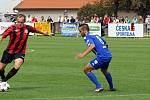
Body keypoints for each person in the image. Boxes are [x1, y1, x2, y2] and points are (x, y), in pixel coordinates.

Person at [0, 14, 48, 86]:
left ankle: (4, 81)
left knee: (17, 66)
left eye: (21, 22)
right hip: (9, 51)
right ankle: (2, 78)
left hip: (20, 52)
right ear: (16, 21)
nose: (19, 24)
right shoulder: (11, 28)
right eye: (18, 22)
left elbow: (36, 30)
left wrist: (44, 33)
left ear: (24, 21)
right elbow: (2, 36)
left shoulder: (27, 28)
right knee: (1, 69)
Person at [75, 24, 116, 92]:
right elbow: (105, 43)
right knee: (104, 70)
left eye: (80, 31)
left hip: (102, 57)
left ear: (85, 31)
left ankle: (99, 86)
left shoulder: (88, 37)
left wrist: (82, 55)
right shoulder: (96, 35)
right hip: (108, 55)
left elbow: (92, 46)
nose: (80, 33)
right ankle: (111, 87)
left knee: (86, 69)